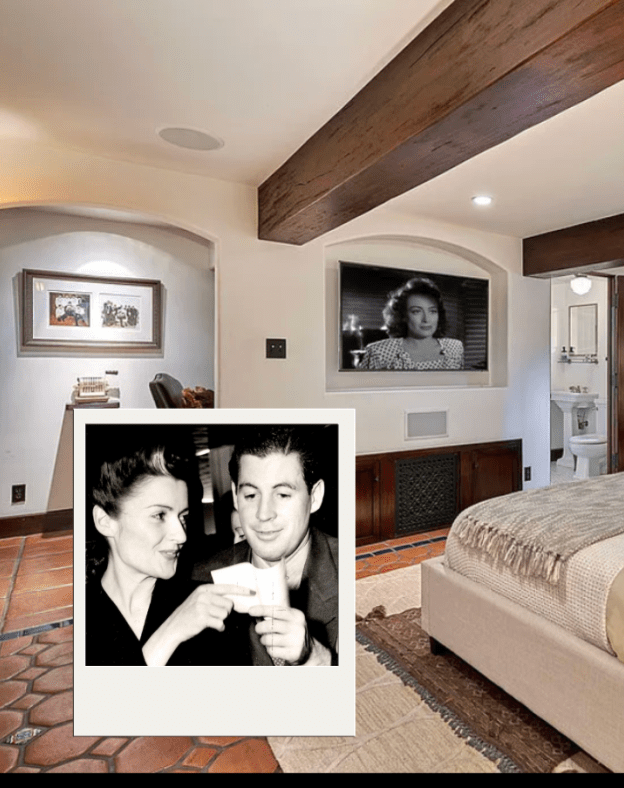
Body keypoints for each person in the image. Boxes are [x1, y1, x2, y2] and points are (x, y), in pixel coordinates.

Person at [86, 443, 252, 666]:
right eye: (159, 515)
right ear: (105, 521)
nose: (181, 535)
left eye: (183, 517)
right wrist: (172, 632)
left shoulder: (210, 611)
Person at [192, 427, 338, 666]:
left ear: (315, 497)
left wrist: (317, 658)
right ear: (235, 495)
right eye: (251, 495)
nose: (263, 514)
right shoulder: (200, 580)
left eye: (282, 495)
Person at [359, 277, 464, 370]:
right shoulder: (379, 352)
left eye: (432, 311)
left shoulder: (455, 348)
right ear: (403, 316)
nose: (426, 319)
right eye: (416, 311)